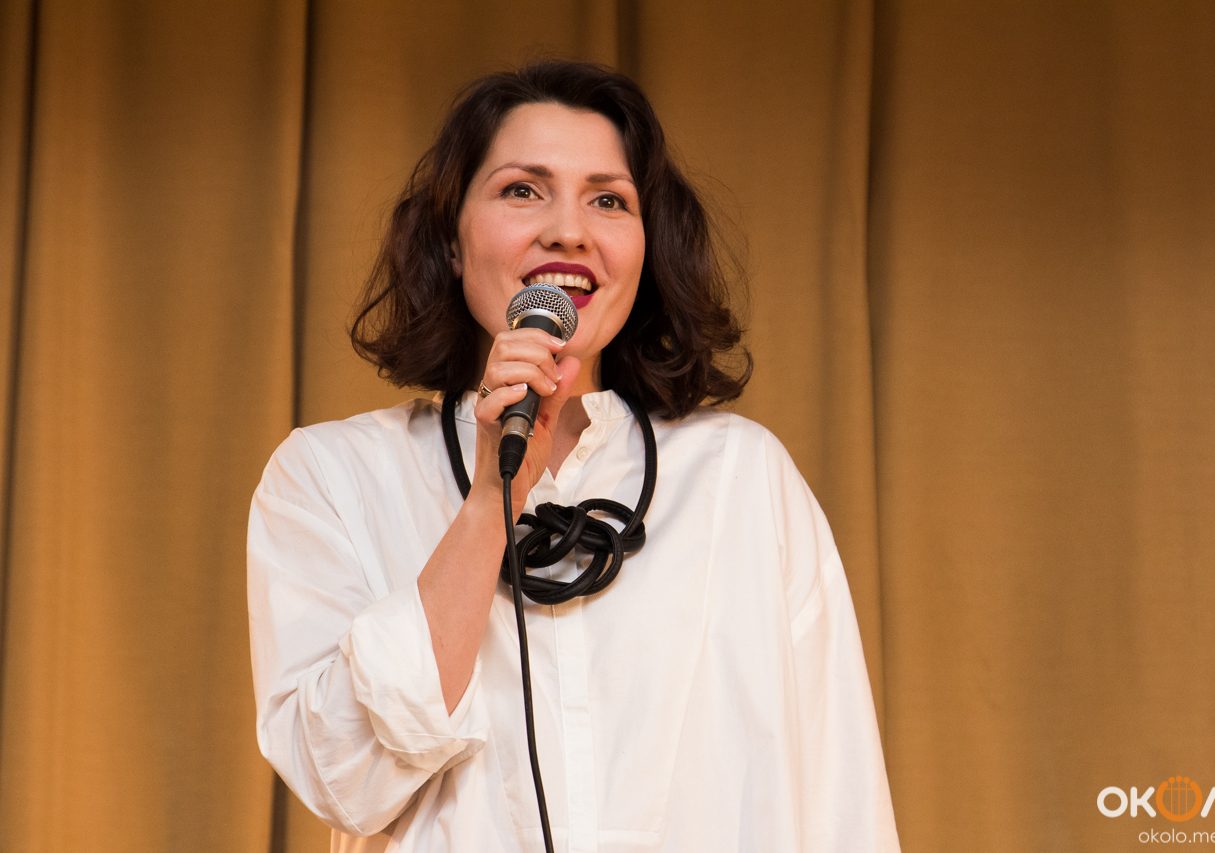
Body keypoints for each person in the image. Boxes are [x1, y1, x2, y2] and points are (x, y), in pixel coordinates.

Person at [248, 60, 899, 853]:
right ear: (450, 241)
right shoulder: (329, 477)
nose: (569, 229)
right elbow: (342, 778)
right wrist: (489, 505)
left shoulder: (743, 478)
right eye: (523, 190)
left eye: (608, 199)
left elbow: (841, 804)